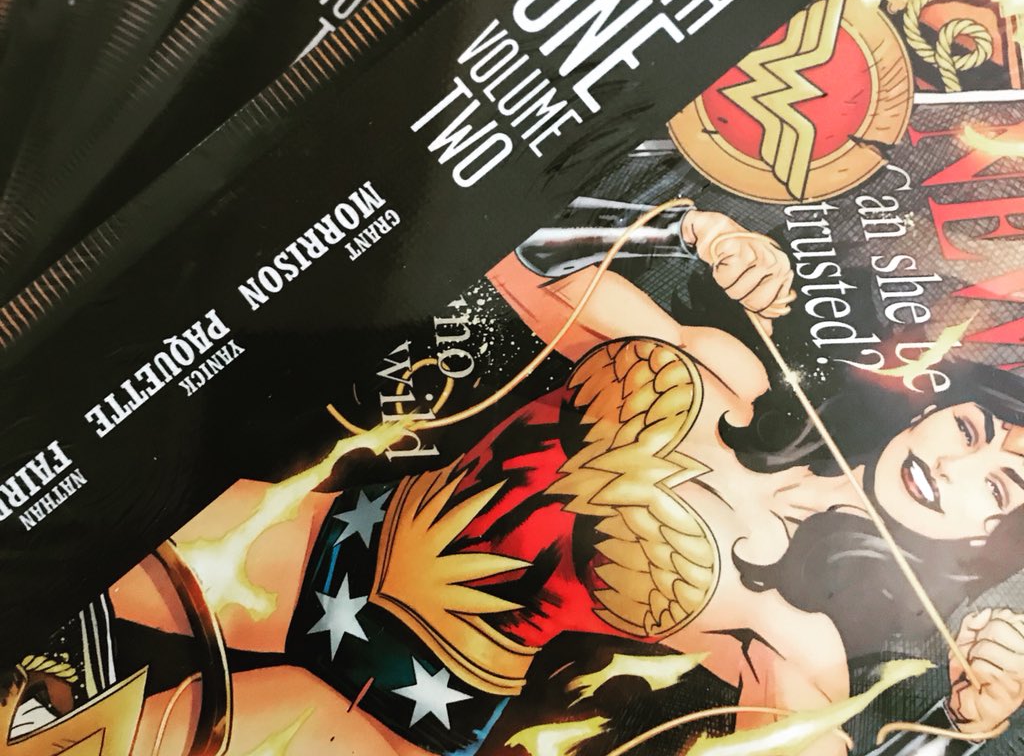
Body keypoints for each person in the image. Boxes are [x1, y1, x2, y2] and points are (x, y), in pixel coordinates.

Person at [11, 206, 1024, 755]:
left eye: (1001, 486)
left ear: (987, 539)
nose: (958, 465)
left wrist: (963, 731)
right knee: (36, 543)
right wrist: (687, 228)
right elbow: (509, 252)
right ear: (933, 405)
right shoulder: (728, 371)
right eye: (974, 430)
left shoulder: (808, 639)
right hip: (312, 537)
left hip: (401, 712)